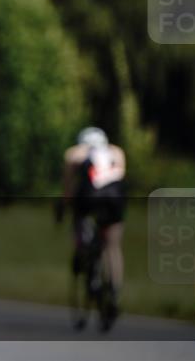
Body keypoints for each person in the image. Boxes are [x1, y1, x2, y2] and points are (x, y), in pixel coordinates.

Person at [62, 126, 126, 322]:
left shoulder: (74, 154)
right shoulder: (116, 152)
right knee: (112, 246)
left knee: (80, 222)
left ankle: (82, 252)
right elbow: (121, 178)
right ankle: (114, 292)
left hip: (89, 201)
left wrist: (63, 206)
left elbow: (68, 187)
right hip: (115, 201)